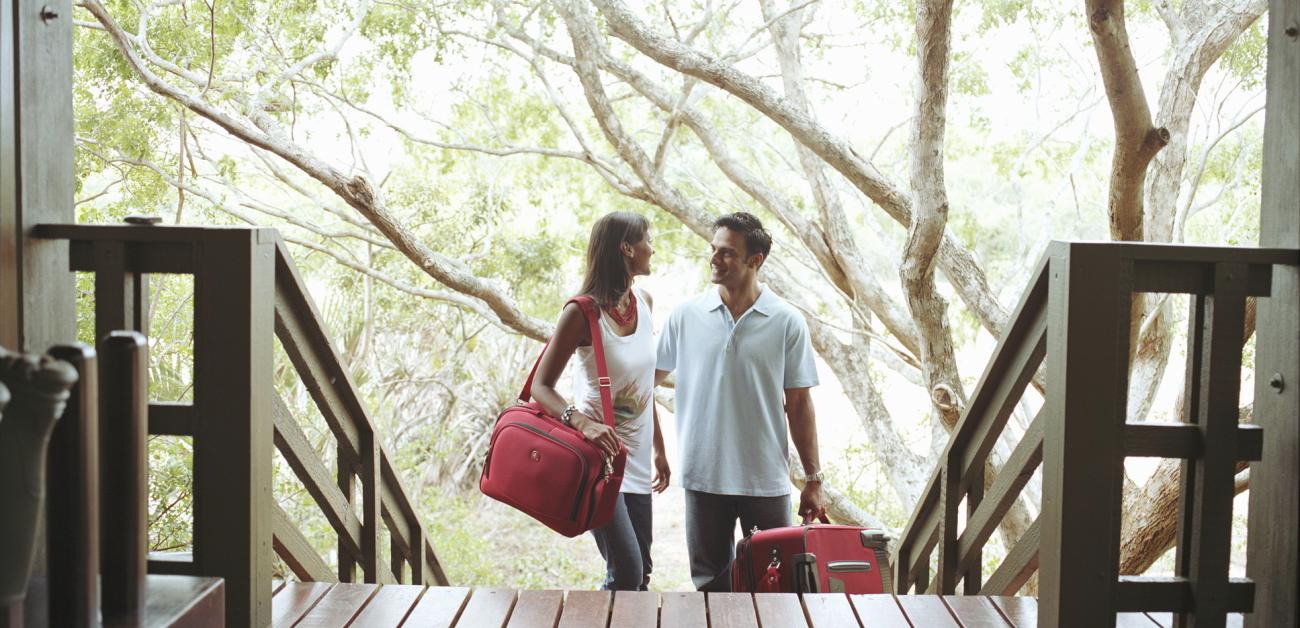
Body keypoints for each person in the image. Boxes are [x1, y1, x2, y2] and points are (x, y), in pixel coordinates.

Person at [655, 211, 827, 592]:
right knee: (710, 588)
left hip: (764, 481)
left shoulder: (787, 321)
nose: (715, 259)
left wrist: (813, 479)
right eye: (713, 249)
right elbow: (640, 385)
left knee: (772, 586)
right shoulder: (685, 316)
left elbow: (799, 406)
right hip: (704, 477)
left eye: (727, 253)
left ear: (756, 260)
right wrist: (653, 447)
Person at [529, 211, 672, 591]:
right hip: (600, 463)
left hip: (637, 461)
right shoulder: (581, 312)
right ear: (627, 248)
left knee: (640, 572)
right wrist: (582, 422)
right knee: (626, 570)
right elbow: (541, 387)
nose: (651, 248)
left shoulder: (644, 301)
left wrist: (659, 448)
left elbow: (641, 387)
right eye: (646, 240)